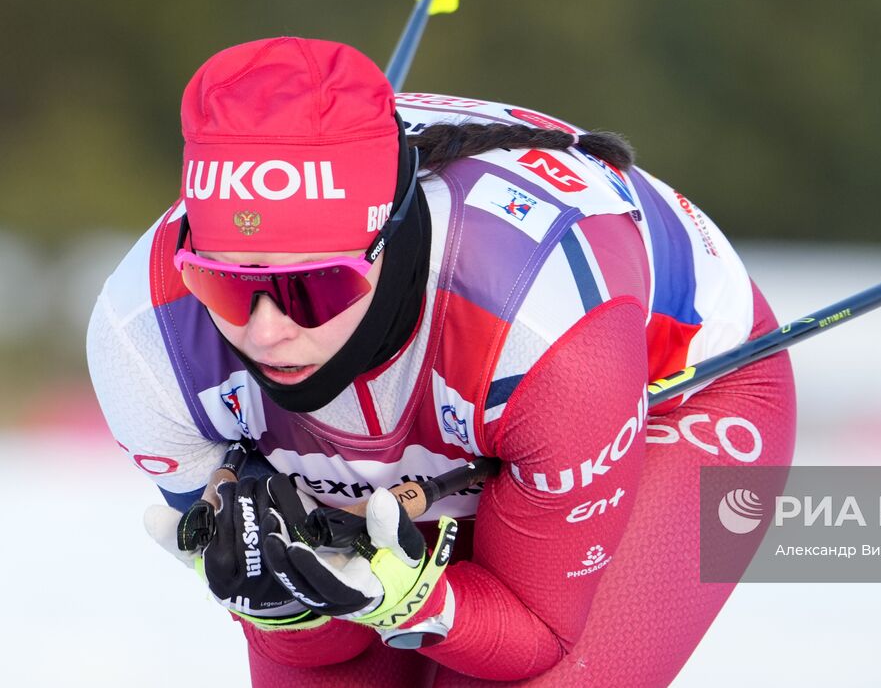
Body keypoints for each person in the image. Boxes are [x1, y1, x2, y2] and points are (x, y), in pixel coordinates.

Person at [87, 37, 797, 686]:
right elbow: (323, 650)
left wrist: (417, 598)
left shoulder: (539, 328)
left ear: (386, 241)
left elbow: (536, 632)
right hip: (459, 420)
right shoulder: (145, 341)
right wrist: (287, 608)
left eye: (312, 286)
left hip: (671, 388)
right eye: (227, 283)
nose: (268, 331)